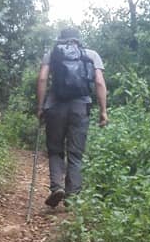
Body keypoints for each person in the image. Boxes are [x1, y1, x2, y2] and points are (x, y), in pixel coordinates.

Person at [36, 26, 107, 207]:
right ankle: (73, 197)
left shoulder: (52, 54)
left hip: (55, 105)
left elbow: (43, 79)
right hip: (80, 107)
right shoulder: (91, 55)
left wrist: (40, 106)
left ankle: (57, 187)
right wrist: (103, 111)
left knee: (55, 150)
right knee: (75, 154)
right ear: (78, 39)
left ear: (61, 39)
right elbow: (99, 82)